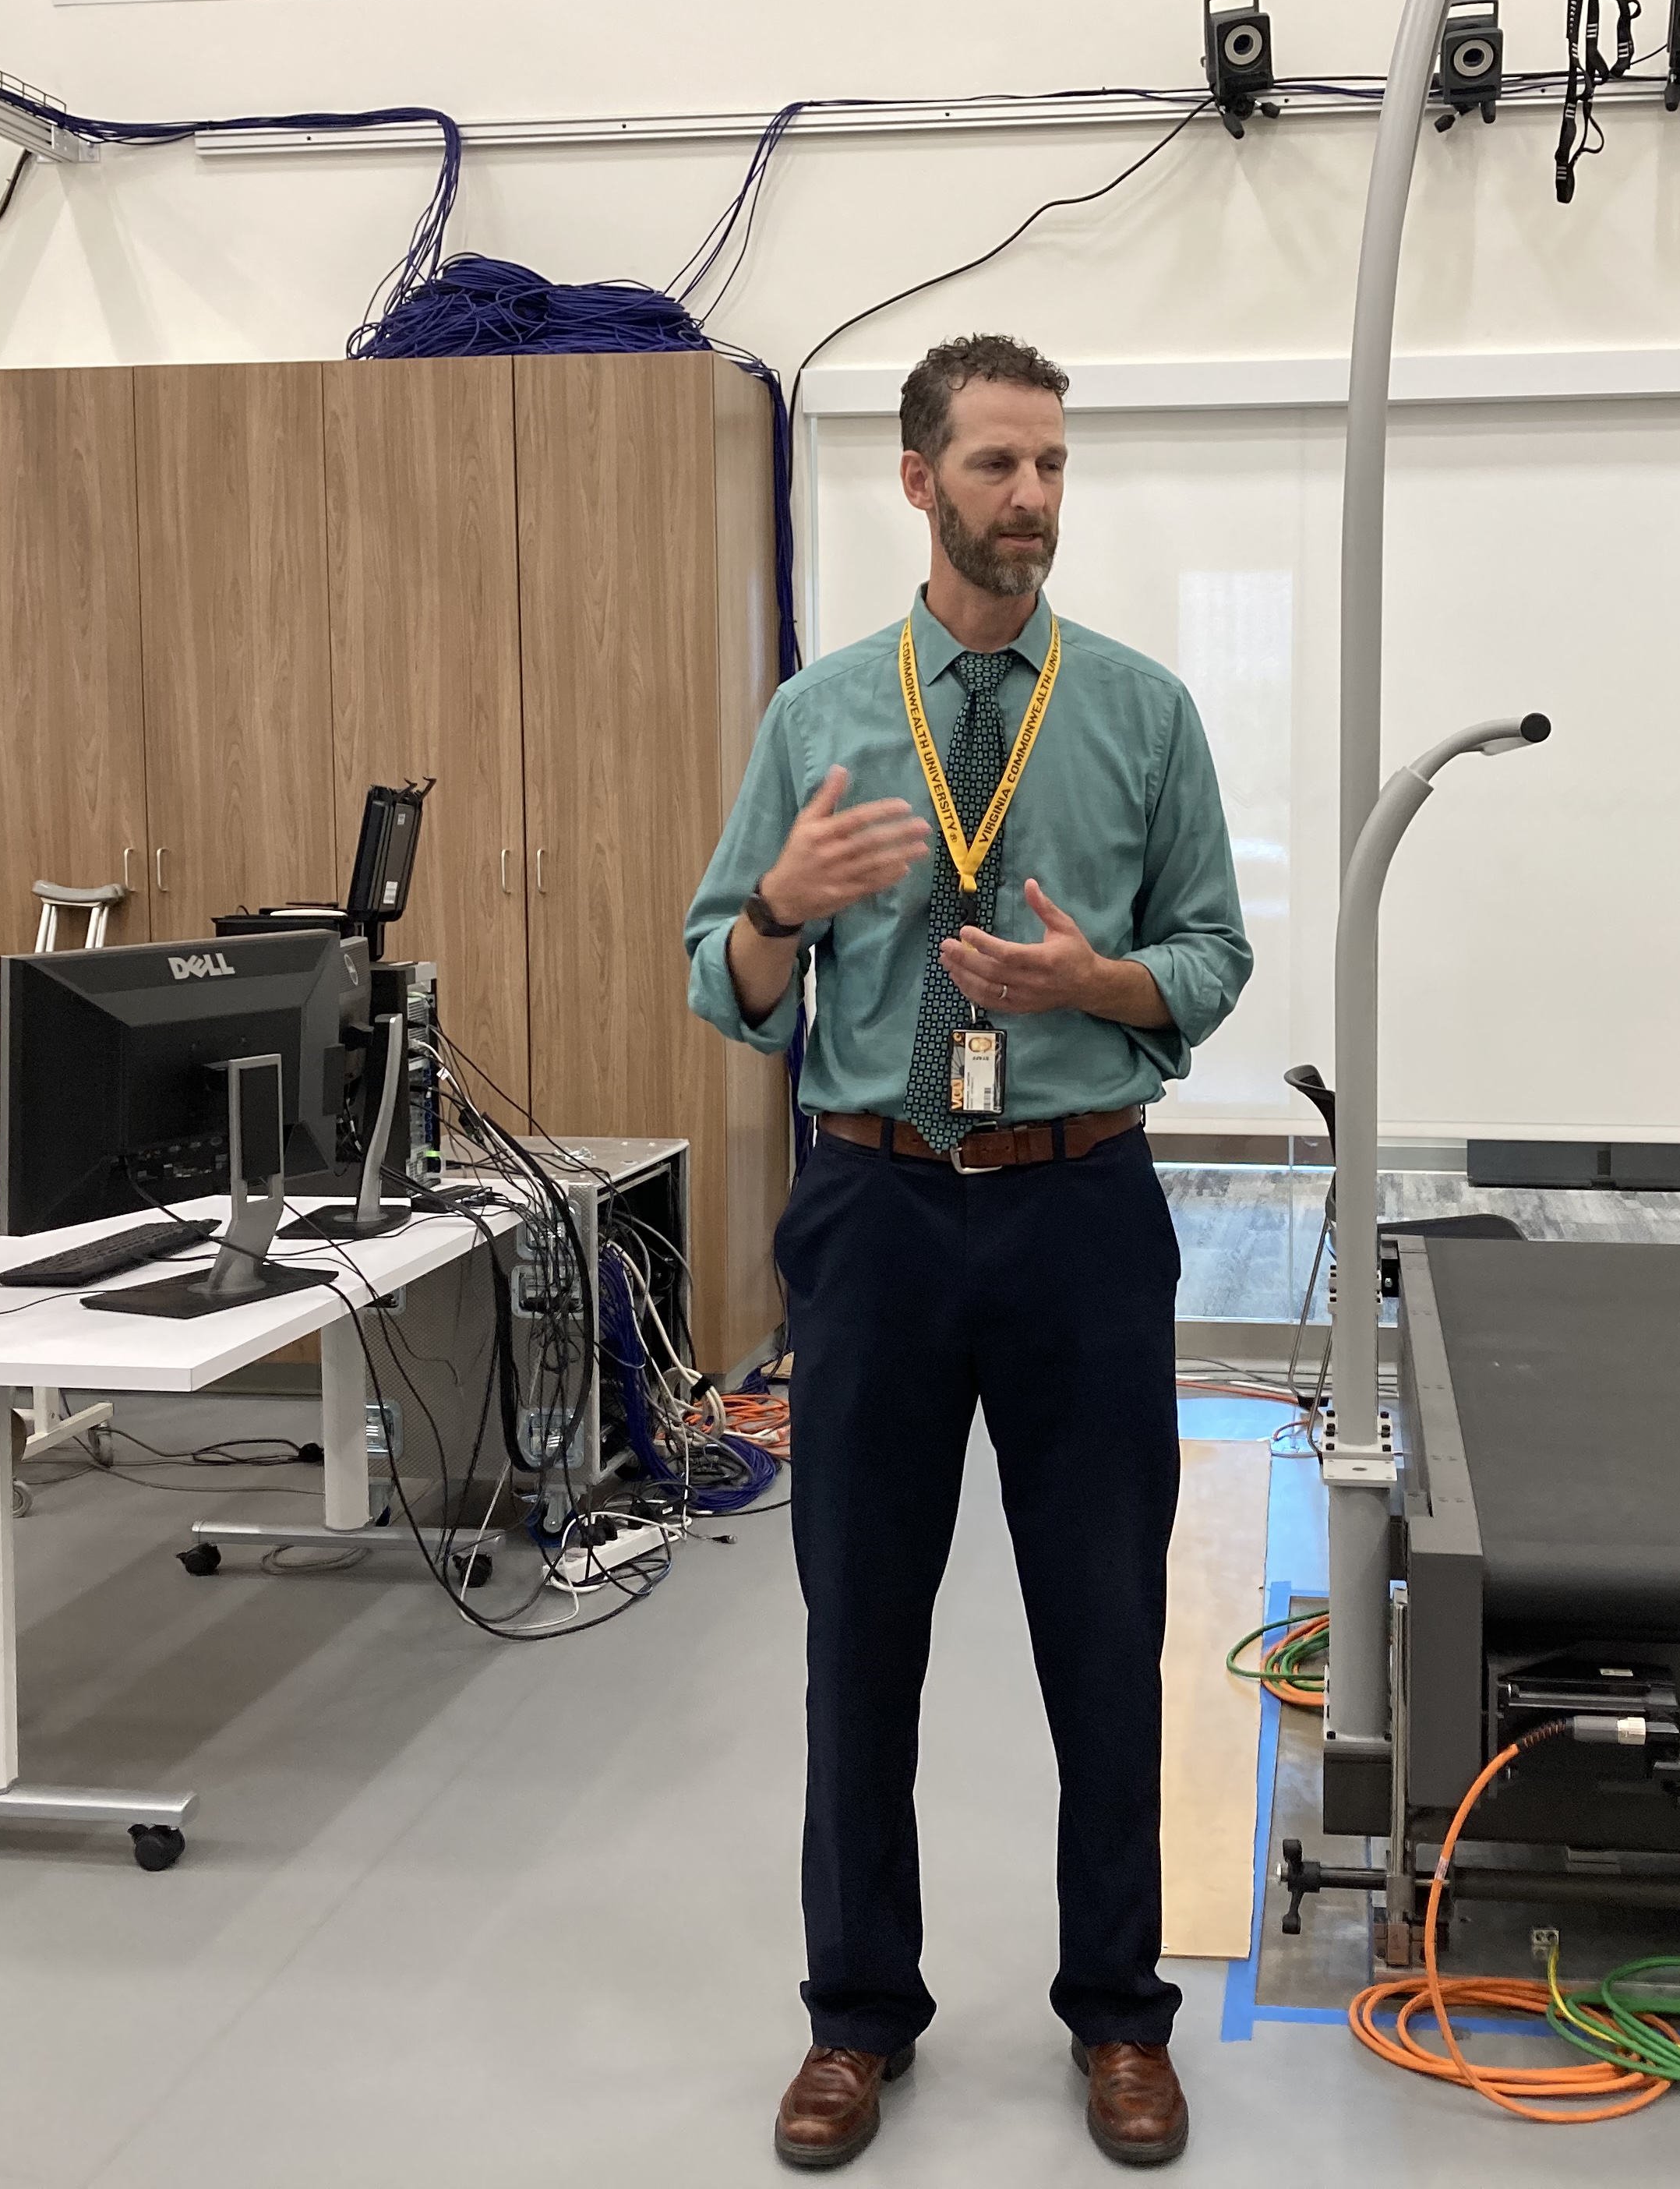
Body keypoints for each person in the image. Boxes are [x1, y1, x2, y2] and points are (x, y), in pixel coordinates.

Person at [686, 334, 1252, 2170]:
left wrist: (1099, 985)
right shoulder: (822, 716)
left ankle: (1118, 2018)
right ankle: (856, 2018)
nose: (1035, 500)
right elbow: (724, 980)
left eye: (1056, 467)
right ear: (918, 482)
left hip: (1082, 1207)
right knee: (861, 1626)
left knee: (1104, 1632)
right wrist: (783, 904)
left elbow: (1213, 958)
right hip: (879, 1211)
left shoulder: (1145, 713)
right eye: (1000, 465)